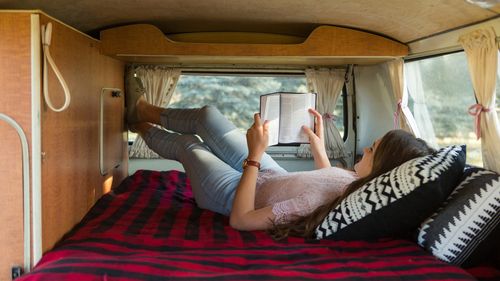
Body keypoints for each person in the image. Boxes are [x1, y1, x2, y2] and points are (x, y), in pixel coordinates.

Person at [125, 73, 435, 239]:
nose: (365, 148)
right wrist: (317, 145)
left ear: (382, 167)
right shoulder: (357, 185)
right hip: (270, 174)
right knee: (208, 116)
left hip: (236, 195)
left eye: (372, 150)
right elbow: (329, 180)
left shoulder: (319, 205)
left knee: (190, 146)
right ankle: (140, 109)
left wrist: (255, 156)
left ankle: (138, 126)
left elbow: (242, 221)